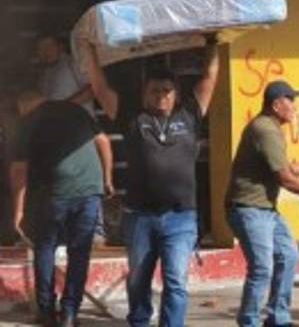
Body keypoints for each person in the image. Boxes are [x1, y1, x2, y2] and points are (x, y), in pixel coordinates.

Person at [83, 39, 220, 327]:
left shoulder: (190, 115)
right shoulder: (132, 118)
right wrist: (90, 52)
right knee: (138, 281)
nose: (161, 96)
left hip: (181, 218)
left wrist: (212, 42)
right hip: (139, 218)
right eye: (155, 91)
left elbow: (210, 77)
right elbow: (99, 88)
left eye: (167, 91)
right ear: (144, 94)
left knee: (176, 282)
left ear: (176, 95)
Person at [225, 81, 299, 327]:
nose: (294, 106)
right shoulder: (265, 129)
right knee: (262, 268)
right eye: (290, 101)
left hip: (266, 211)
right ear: (276, 105)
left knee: (289, 255)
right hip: (248, 209)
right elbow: (284, 178)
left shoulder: (271, 128)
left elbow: (287, 167)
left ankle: (278, 318)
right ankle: (249, 321)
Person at [9, 90, 113, 327]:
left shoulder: (28, 124)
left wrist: (18, 212)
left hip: (57, 195)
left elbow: (18, 172)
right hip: (90, 191)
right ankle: (69, 313)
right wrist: (107, 179)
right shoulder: (77, 111)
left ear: (26, 105)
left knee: (45, 248)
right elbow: (104, 142)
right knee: (79, 253)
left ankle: (46, 311)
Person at [35, 34, 92, 106]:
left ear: (61, 47)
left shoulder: (73, 63)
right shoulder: (44, 74)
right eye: (41, 48)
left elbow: (92, 89)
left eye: (50, 45)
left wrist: (64, 108)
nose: (46, 51)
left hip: (78, 116)